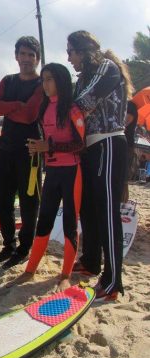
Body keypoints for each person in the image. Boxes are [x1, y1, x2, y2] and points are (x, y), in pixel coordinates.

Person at [67, 30, 133, 301]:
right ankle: (92, 261)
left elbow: (84, 103)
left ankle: (113, 280)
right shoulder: (82, 77)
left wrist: (64, 109)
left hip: (108, 143)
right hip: (90, 148)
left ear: (83, 50)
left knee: (107, 212)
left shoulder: (107, 68)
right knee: (89, 209)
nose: (68, 57)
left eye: (70, 51)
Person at [10, 63, 85, 291]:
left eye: (50, 79)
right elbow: (48, 144)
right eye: (43, 80)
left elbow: (80, 144)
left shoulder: (72, 109)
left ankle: (65, 274)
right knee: (44, 222)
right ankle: (30, 269)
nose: (45, 84)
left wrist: (48, 146)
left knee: (70, 224)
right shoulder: (44, 108)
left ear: (61, 81)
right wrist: (39, 149)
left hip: (72, 172)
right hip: (51, 172)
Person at [0, 35, 44, 269]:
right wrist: (16, 107)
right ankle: (8, 244)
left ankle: (24, 248)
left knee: (29, 202)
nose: (27, 59)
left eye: (31, 55)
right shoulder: (8, 80)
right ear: (16, 56)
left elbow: (30, 114)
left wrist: (8, 108)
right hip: (6, 148)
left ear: (37, 59)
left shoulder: (42, 84)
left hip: (30, 151)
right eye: (23, 53)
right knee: (3, 201)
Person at [122, 101, 138, 201]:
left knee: (123, 176)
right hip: (125, 143)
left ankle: (122, 201)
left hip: (126, 144)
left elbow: (126, 122)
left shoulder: (130, 105)